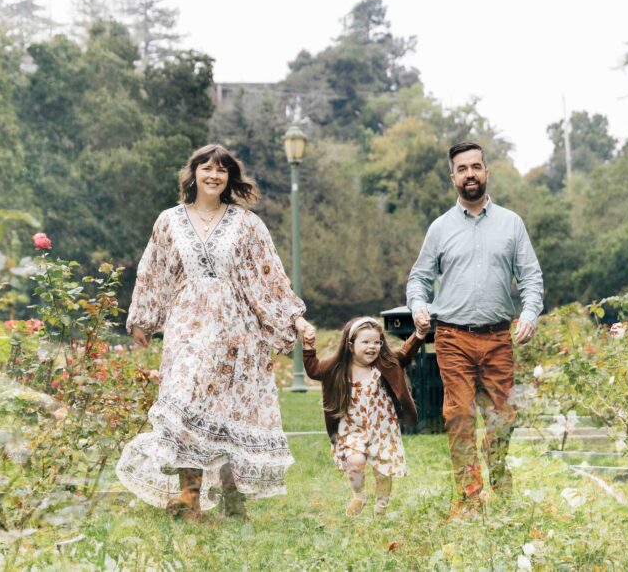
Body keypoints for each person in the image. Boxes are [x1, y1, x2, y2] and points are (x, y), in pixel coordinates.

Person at [116, 144, 317, 521]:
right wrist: (143, 317)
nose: (214, 175)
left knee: (228, 408)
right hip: (187, 326)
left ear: (230, 178)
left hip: (235, 330)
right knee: (186, 397)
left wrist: (295, 318)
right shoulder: (169, 220)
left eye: (222, 170)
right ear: (192, 174)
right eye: (206, 168)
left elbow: (269, 278)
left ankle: (232, 497)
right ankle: (189, 496)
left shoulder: (246, 223)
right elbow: (154, 270)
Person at [406, 141, 543, 518]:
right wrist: (419, 306)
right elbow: (418, 279)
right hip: (453, 336)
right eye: (462, 168)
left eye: (476, 167)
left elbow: (531, 277)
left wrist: (530, 312)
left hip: (499, 336)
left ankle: (498, 482)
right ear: (453, 177)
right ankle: (469, 496)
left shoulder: (511, 223)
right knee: (460, 414)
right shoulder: (440, 229)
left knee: (501, 418)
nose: (470, 174)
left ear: (486, 172)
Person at [302, 316, 426, 516]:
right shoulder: (338, 368)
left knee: (383, 471)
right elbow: (314, 369)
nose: (372, 347)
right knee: (355, 462)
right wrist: (308, 346)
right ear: (350, 346)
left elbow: (405, 353)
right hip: (352, 426)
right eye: (366, 342)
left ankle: (381, 507)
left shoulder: (385, 364)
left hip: (382, 427)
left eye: (377, 342)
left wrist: (419, 334)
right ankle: (359, 495)